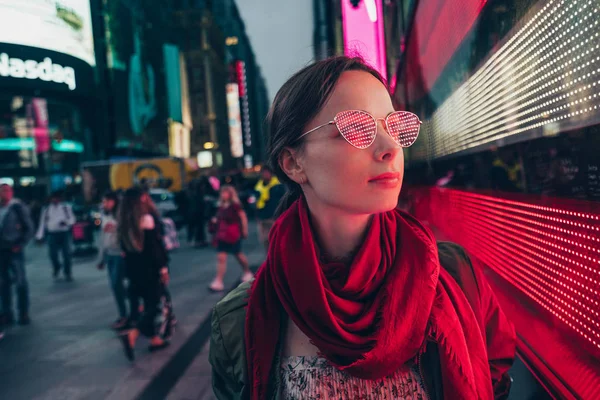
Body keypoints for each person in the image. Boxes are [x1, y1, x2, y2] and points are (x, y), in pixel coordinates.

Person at [209, 56, 516, 399]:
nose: (389, 149)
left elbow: (495, 379)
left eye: (393, 127)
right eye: (356, 129)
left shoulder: (455, 275)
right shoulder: (240, 320)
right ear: (294, 163)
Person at [117, 187, 170, 360]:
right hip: (149, 268)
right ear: (140, 199)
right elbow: (154, 248)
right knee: (154, 304)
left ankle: (155, 339)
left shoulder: (123, 221)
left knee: (147, 304)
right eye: (144, 196)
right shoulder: (146, 218)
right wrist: (162, 268)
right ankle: (134, 333)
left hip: (132, 269)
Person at [0, 184, 35, 326]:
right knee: (3, 284)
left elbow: (29, 228)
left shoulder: (17, 207)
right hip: (1, 250)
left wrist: (20, 244)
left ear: (11, 193)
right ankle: (7, 313)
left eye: (6, 191)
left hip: (14, 249)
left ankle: (23, 312)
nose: (4, 194)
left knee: (20, 282)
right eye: (2, 191)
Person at [208, 185, 253, 292]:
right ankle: (219, 280)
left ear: (230, 194)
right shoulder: (221, 206)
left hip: (232, 234)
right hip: (222, 235)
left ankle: (247, 271)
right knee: (221, 257)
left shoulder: (235, 206)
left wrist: (244, 230)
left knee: (238, 254)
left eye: (226, 193)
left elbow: (243, 217)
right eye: (222, 193)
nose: (223, 195)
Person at [96, 191, 128, 330]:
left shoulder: (122, 215)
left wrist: (125, 251)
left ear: (113, 201)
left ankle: (126, 315)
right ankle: (124, 314)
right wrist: (101, 258)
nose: (104, 204)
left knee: (116, 284)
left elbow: (127, 234)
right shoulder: (104, 215)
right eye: (103, 202)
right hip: (109, 255)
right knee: (115, 286)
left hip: (120, 254)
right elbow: (103, 237)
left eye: (106, 201)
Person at [35, 191, 76, 281]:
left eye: (56, 198)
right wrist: (39, 236)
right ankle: (56, 267)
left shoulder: (66, 207)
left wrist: (66, 223)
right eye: (53, 198)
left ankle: (67, 272)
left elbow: (72, 219)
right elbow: (42, 223)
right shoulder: (46, 209)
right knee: (52, 254)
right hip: (52, 234)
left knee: (66, 254)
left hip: (64, 233)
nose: (55, 200)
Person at [253, 165, 285, 250]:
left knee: (276, 239)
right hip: (262, 216)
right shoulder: (258, 186)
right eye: (263, 173)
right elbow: (256, 201)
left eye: (267, 172)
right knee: (265, 241)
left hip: (274, 216)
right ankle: (270, 259)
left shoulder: (278, 185)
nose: (265, 174)